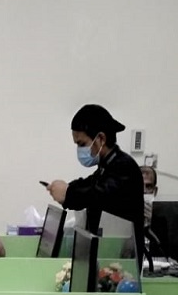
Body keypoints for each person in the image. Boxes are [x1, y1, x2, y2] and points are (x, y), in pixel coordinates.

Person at [46, 104, 144, 258]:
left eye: (82, 144)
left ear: (101, 139)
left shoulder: (123, 166)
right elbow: (90, 183)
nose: (80, 150)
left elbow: (99, 195)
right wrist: (67, 188)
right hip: (109, 252)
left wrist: (68, 194)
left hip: (123, 258)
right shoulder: (107, 165)